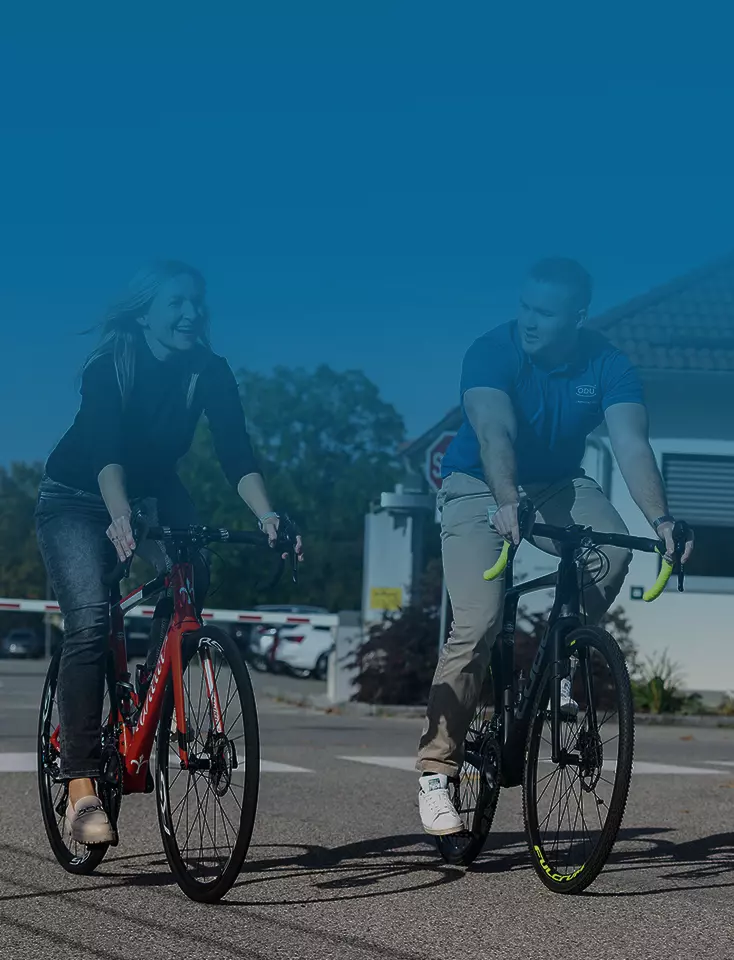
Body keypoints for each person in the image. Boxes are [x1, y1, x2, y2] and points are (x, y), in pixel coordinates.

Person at [416, 257, 694, 835]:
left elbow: (632, 445)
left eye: (545, 312)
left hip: (561, 484)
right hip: (478, 482)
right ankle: (436, 771)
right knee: (480, 618)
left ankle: (559, 654)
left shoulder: (609, 364)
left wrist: (663, 520)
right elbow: (495, 430)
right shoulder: (492, 351)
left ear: (578, 317)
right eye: (525, 307)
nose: (529, 321)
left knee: (614, 551)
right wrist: (506, 495)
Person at [35, 260, 303, 845]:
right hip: (79, 496)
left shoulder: (209, 370)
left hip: (155, 490)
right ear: (146, 312)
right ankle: (81, 783)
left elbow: (237, 452)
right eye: (177, 303)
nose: (190, 315)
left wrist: (268, 515)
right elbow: (106, 451)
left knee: (193, 575)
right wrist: (120, 515)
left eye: (197, 305)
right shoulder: (111, 364)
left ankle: (152, 694)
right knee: (90, 621)